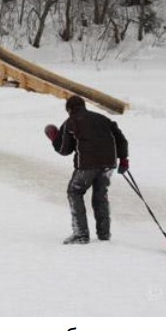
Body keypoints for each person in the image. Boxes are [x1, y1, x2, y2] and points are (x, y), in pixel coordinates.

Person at [49, 95, 128, 245]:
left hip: (87, 165)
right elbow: (121, 139)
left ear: (69, 109)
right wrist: (123, 160)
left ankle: (81, 234)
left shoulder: (71, 122)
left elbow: (64, 149)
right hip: (108, 165)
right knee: (100, 196)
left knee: (75, 192)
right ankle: (104, 234)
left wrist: (54, 138)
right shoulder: (103, 119)